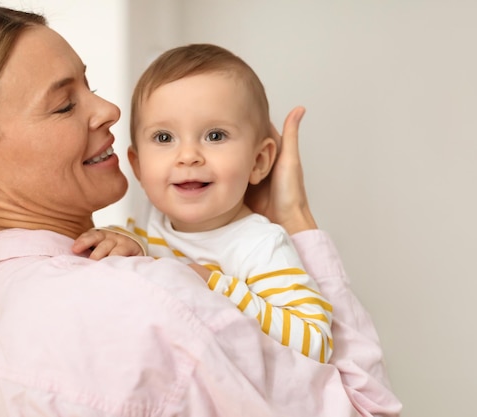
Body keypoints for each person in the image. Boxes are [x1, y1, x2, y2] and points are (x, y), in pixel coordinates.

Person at [0, 4, 402, 417]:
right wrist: (297, 218)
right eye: (64, 105)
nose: (108, 110)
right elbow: (369, 407)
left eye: (91, 87)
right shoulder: (156, 298)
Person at [74, 44, 333, 363]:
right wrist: (119, 241)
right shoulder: (146, 228)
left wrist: (212, 284)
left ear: (259, 161)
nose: (188, 157)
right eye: (164, 138)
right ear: (139, 167)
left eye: (215, 136)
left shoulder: (259, 245)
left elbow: (315, 341)